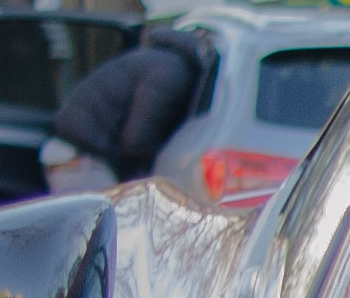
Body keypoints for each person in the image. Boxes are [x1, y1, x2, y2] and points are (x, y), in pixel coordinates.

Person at [40, 22, 221, 192]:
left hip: (71, 153)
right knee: (108, 223)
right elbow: (137, 140)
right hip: (84, 163)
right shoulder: (171, 74)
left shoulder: (159, 60)